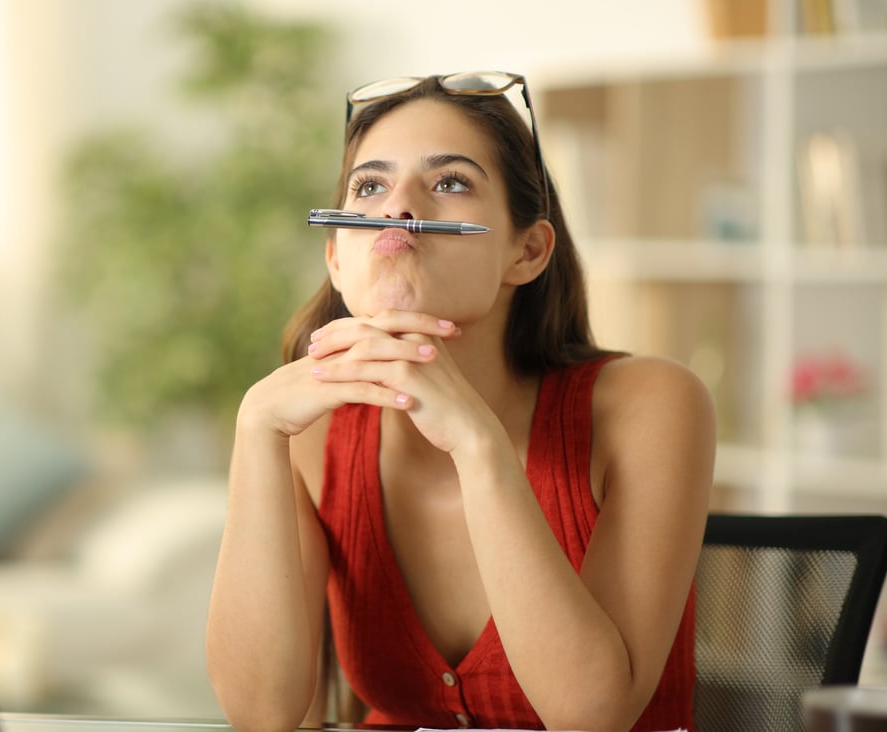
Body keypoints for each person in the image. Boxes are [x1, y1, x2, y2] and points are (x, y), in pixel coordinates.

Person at [205, 72, 714, 732]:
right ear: (336, 258)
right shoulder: (310, 434)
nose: (397, 209)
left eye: (449, 182)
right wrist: (255, 433)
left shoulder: (651, 405)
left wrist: (477, 446)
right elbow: (260, 714)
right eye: (370, 186)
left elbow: (591, 716)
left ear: (526, 251)